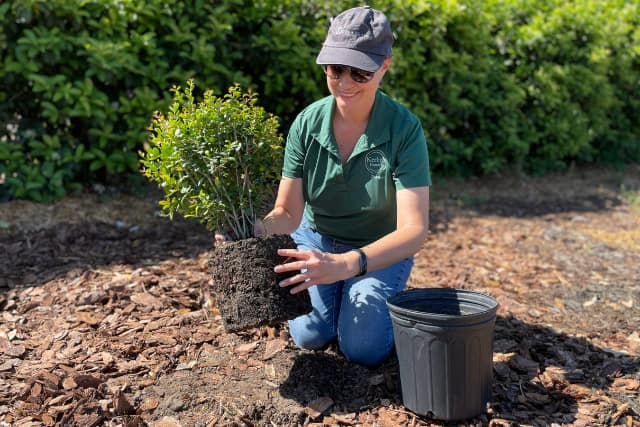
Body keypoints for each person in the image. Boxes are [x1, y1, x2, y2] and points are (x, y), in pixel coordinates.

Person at [220, 6, 431, 367]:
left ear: (384, 67)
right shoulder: (306, 124)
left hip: (374, 248)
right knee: (309, 336)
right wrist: (253, 229)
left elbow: (414, 230)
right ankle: (339, 299)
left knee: (362, 350)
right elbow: (287, 213)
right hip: (316, 238)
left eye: (361, 71)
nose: (345, 82)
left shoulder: (404, 129)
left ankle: (362, 293)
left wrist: (350, 264)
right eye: (336, 69)